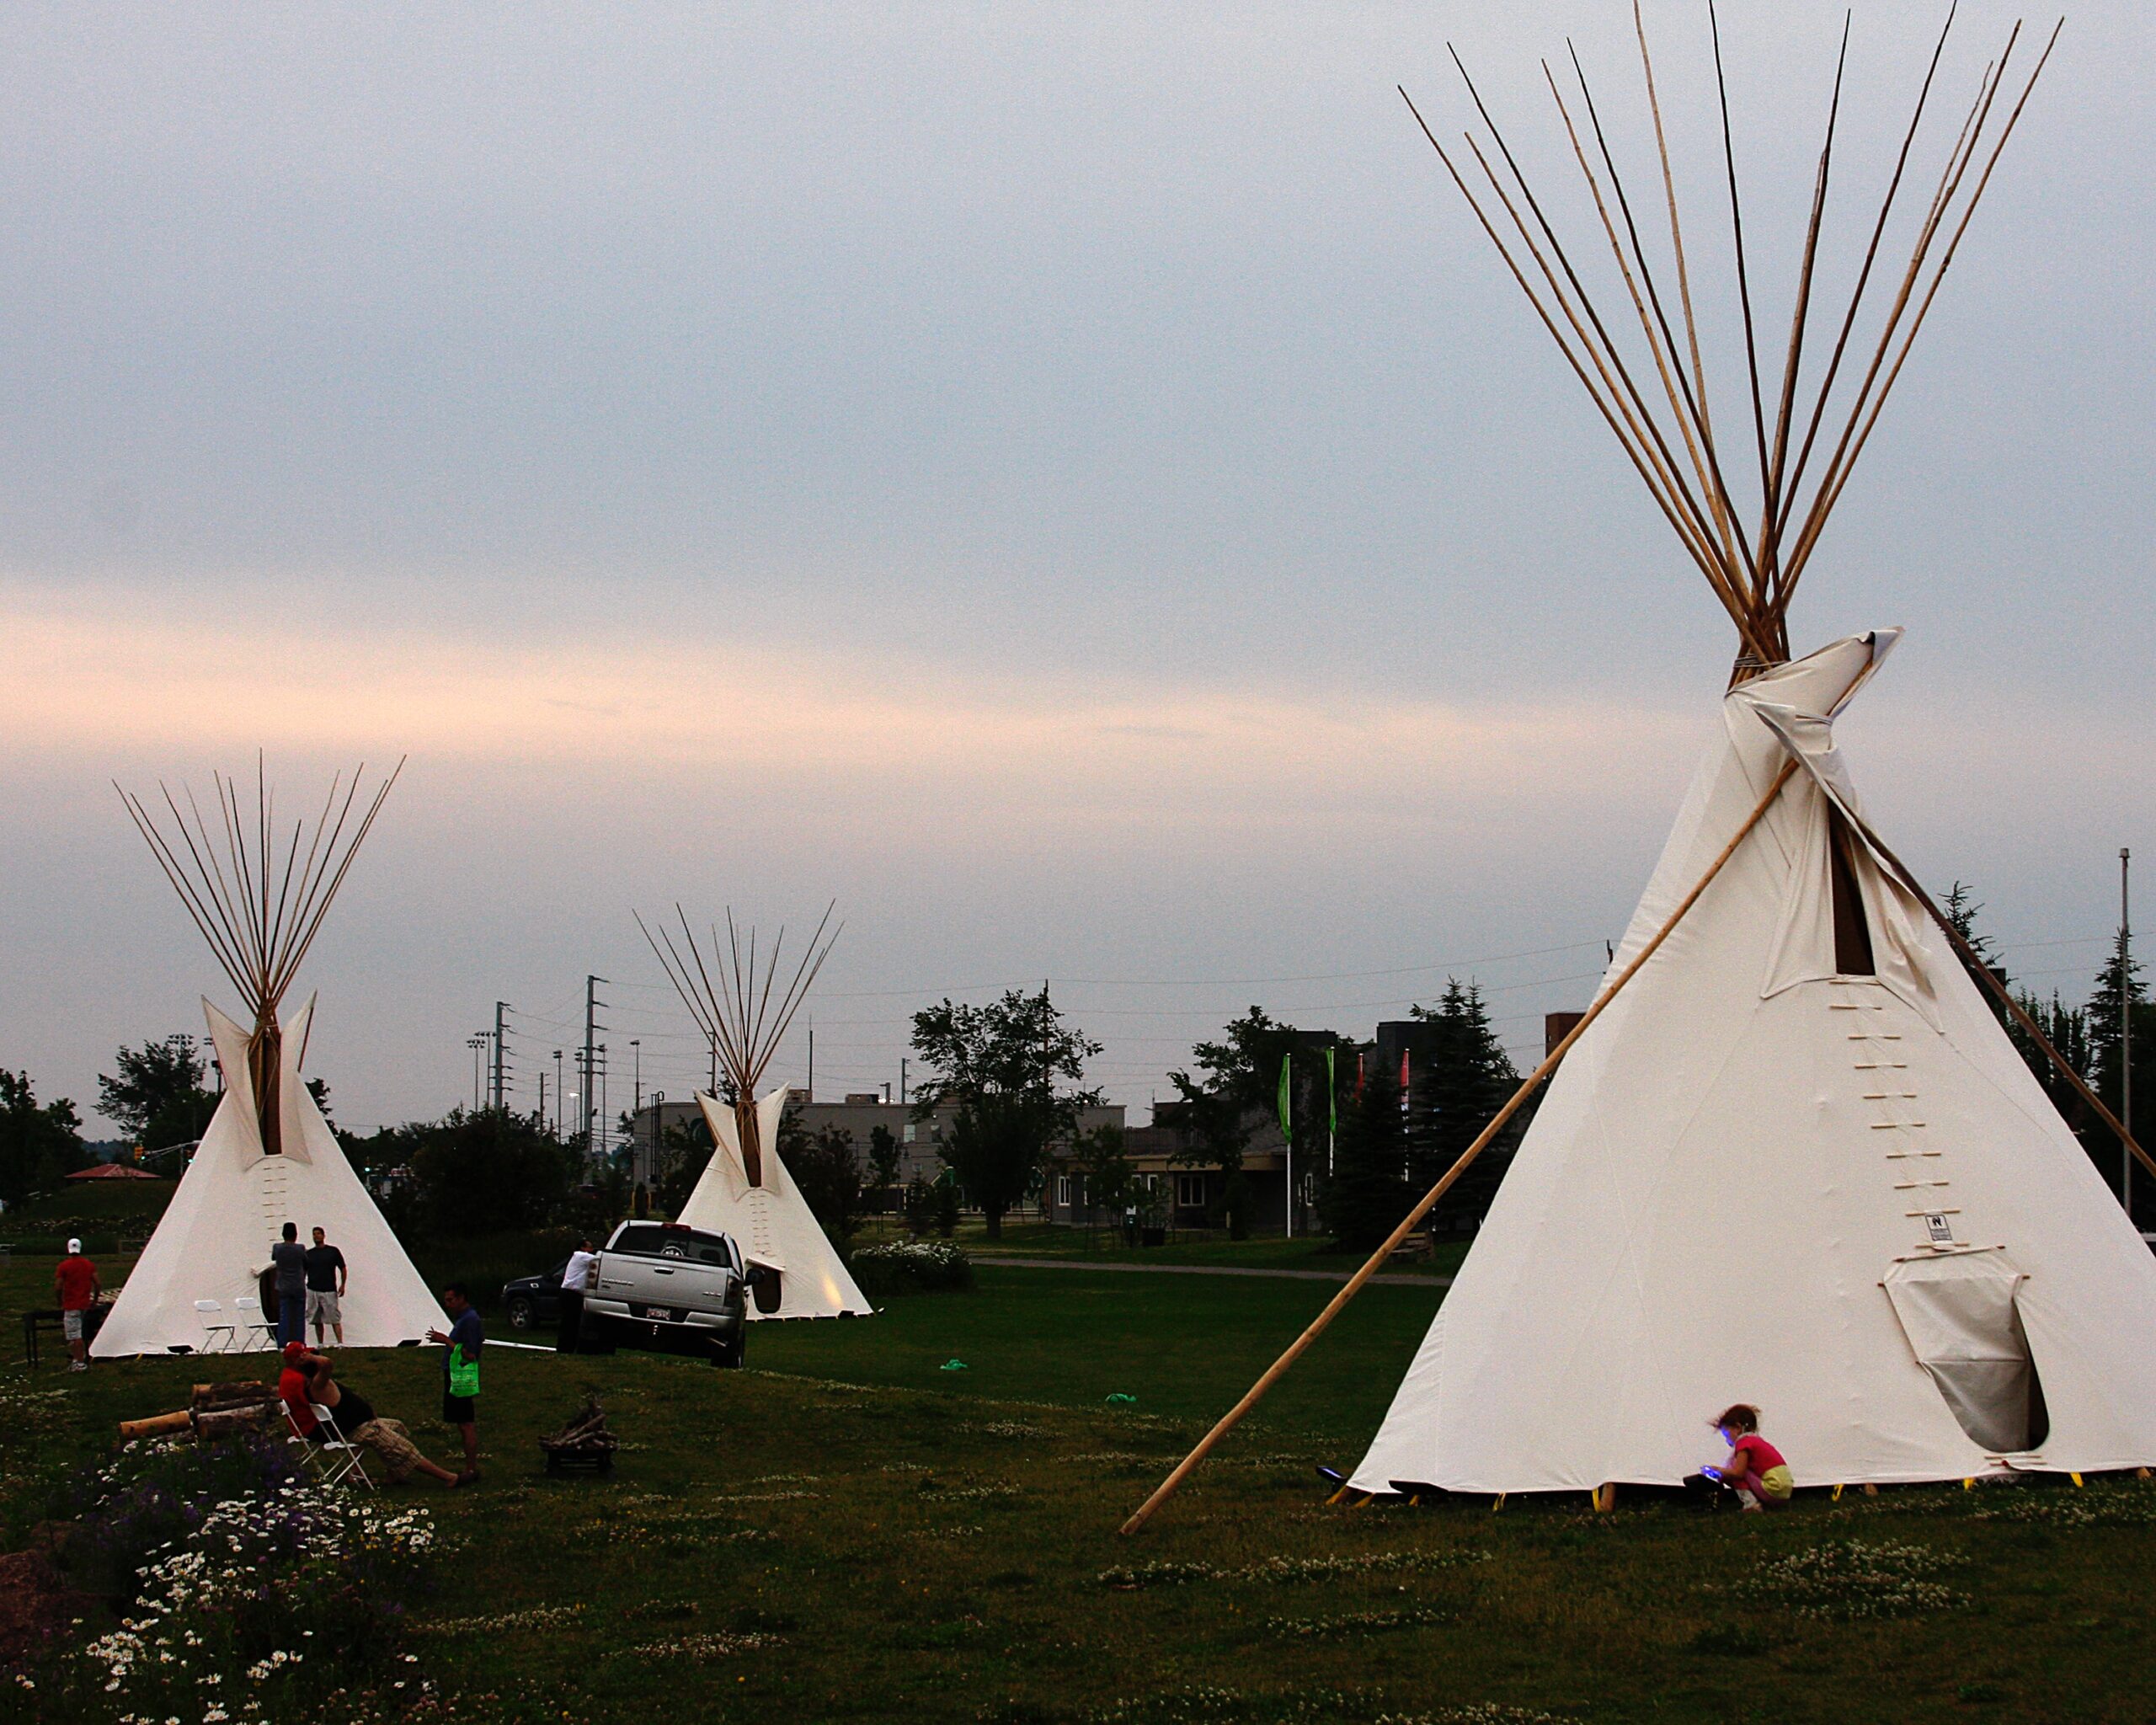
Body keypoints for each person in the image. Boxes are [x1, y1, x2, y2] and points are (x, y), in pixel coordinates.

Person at [277, 1342, 466, 1487]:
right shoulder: (318, 1385)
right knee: (401, 1448)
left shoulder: (316, 1381)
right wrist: (312, 1359)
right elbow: (327, 1364)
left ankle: (395, 1473)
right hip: (357, 1428)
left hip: (363, 1422)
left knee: (396, 1425)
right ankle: (448, 1477)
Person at [425, 1284, 483, 1482]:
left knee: (466, 1422)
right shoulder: (463, 1319)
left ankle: (471, 1468)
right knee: (461, 1422)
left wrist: (446, 1341)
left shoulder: (470, 1321)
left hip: (462, 1373)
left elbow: (471, 1353)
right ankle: (470, 1466)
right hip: (454, 1371)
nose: (447, 1304)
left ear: (461, 1298)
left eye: (450, 1300)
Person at [1708, 1403, 1793, 1511]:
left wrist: (1719, 1471)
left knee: (1733, 1466)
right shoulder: (1757, 1441)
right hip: (1784, 1491)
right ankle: (1761, 1503)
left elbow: (1739, 1473)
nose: (1727, 1440)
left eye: (1726, 1434)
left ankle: (1751, 1504)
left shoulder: (1743, 1443)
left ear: (1738, 1428)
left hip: (1772, 1489)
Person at [54, 1240, 99, 1372]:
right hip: (84, 1304)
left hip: (71, 1304)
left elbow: (58, 1286)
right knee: (80, 1331)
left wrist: (59, 1301)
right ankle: (79, 1358)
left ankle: (79, 1362)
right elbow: (97, 1283)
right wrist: (95, 1299)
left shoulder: (64, 1266)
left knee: (74, 1335)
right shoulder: (89, 1265)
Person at [305, 1226, 349, 1346]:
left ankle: (340, 1342)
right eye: (314, 1234)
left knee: (334, 1317)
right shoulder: (309, 1254)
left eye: (319, 1234)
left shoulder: (333, 1251)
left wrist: (343, 1285)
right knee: (316, 1319)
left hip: (329, 1289)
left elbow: (343, 1268)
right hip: (313, 1289)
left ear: (324, 1236)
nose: (316, 1236)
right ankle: (320, 1343)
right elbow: (304, 1271)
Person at [270, 1222, 309, 1346]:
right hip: (298, 1285)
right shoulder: (300, 1248)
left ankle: (282, 1343)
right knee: (299, 1317)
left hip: (283, 1286)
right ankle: (300, 1342)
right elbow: (306, 1262)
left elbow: (273, 1258)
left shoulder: (277, 1248)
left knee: (284, 1316)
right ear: (296, 1235)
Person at [557, 1238, 597, 1354]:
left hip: (570, 1293)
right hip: (571, 1293)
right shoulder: (581, 1256)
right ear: (583, 1248)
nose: (591, 1249)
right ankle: (564, 1348)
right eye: (589, 1247)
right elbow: (598, 1259)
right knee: (569, 1322)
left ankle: (567, 1347)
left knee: (571, 1322)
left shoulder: (579, 1257)